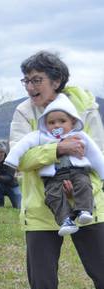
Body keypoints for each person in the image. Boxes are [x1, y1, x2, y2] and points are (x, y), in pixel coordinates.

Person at [9, 50, 104, 289]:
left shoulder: (84, 107)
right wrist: (58, 148)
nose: (30, 88)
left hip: (86, 205)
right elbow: (20, 156)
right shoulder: (23, 113)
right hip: (40, 210)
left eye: (36, 80)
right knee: (43, 284)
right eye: (26, 80)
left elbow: (94, 151)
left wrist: (80, 191)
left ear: (57, 81)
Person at [7, 93, 104, 235]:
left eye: (62, 121)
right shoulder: (41, 136)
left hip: (77, 171)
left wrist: (102, 173)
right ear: (45, 124)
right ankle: (65, 220)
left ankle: (84, 210)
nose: (56, 125)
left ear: (72, 122)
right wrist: (12, 159)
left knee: (84, 184)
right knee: (53, 195)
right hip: (53, 177)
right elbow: (22, 145)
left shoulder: (79, 136)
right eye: (51, 123)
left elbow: (95, 154)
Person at [0, 141, 21, 208]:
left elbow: (10, 177)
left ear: (3, 153)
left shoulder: (10, 160)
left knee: (18, 206)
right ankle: (0, 204)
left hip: (12, 185)